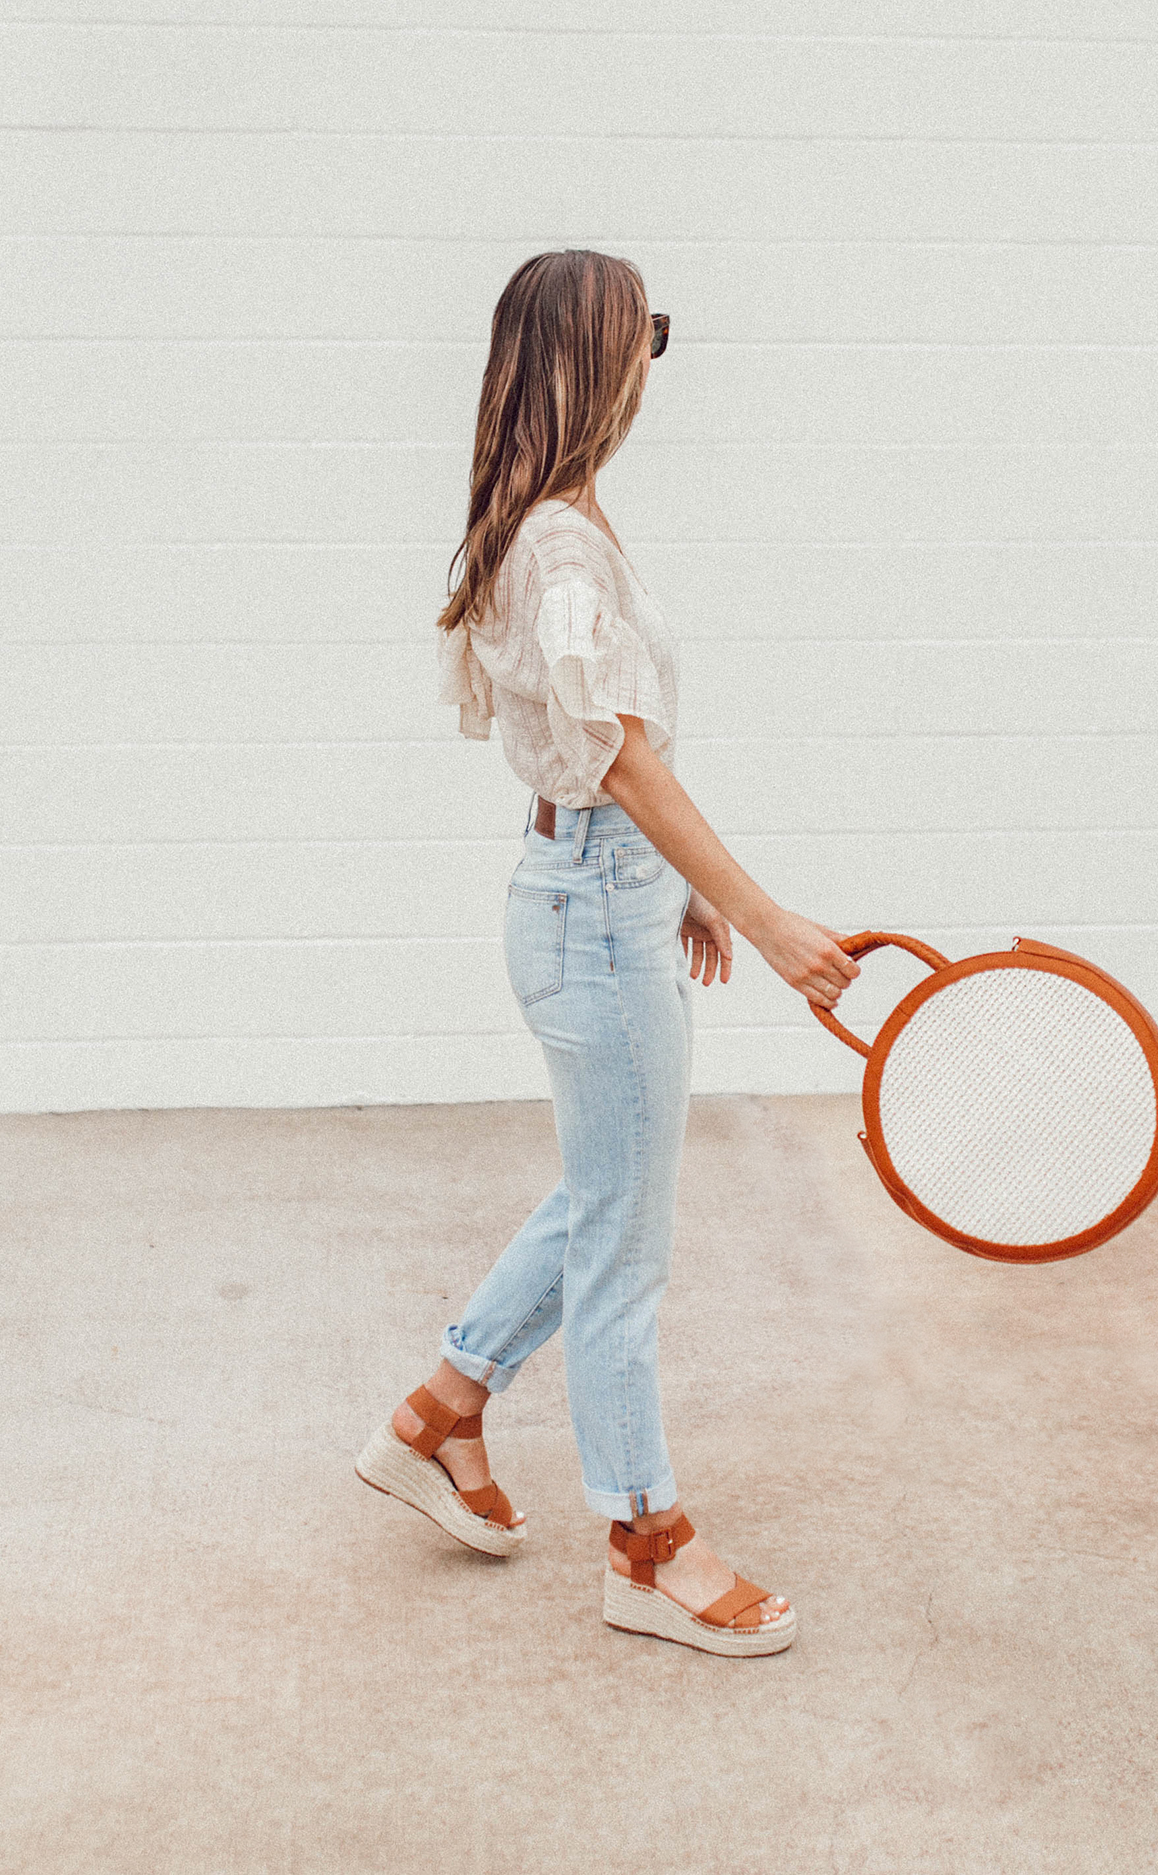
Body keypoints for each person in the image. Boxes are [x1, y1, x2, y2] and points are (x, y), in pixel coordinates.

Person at [356, 249, 861, 1658]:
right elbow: (619, 761)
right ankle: (643, 1543)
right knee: (627, 1243)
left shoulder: (559, 521)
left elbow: (612, 760)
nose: (654, 360)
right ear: (593, 359)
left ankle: (442, 1411)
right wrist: (764, 916)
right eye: (646, 336)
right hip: (590, 901)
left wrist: (679, 891)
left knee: (605, 1197)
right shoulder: (560, 546)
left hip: (606, 892)